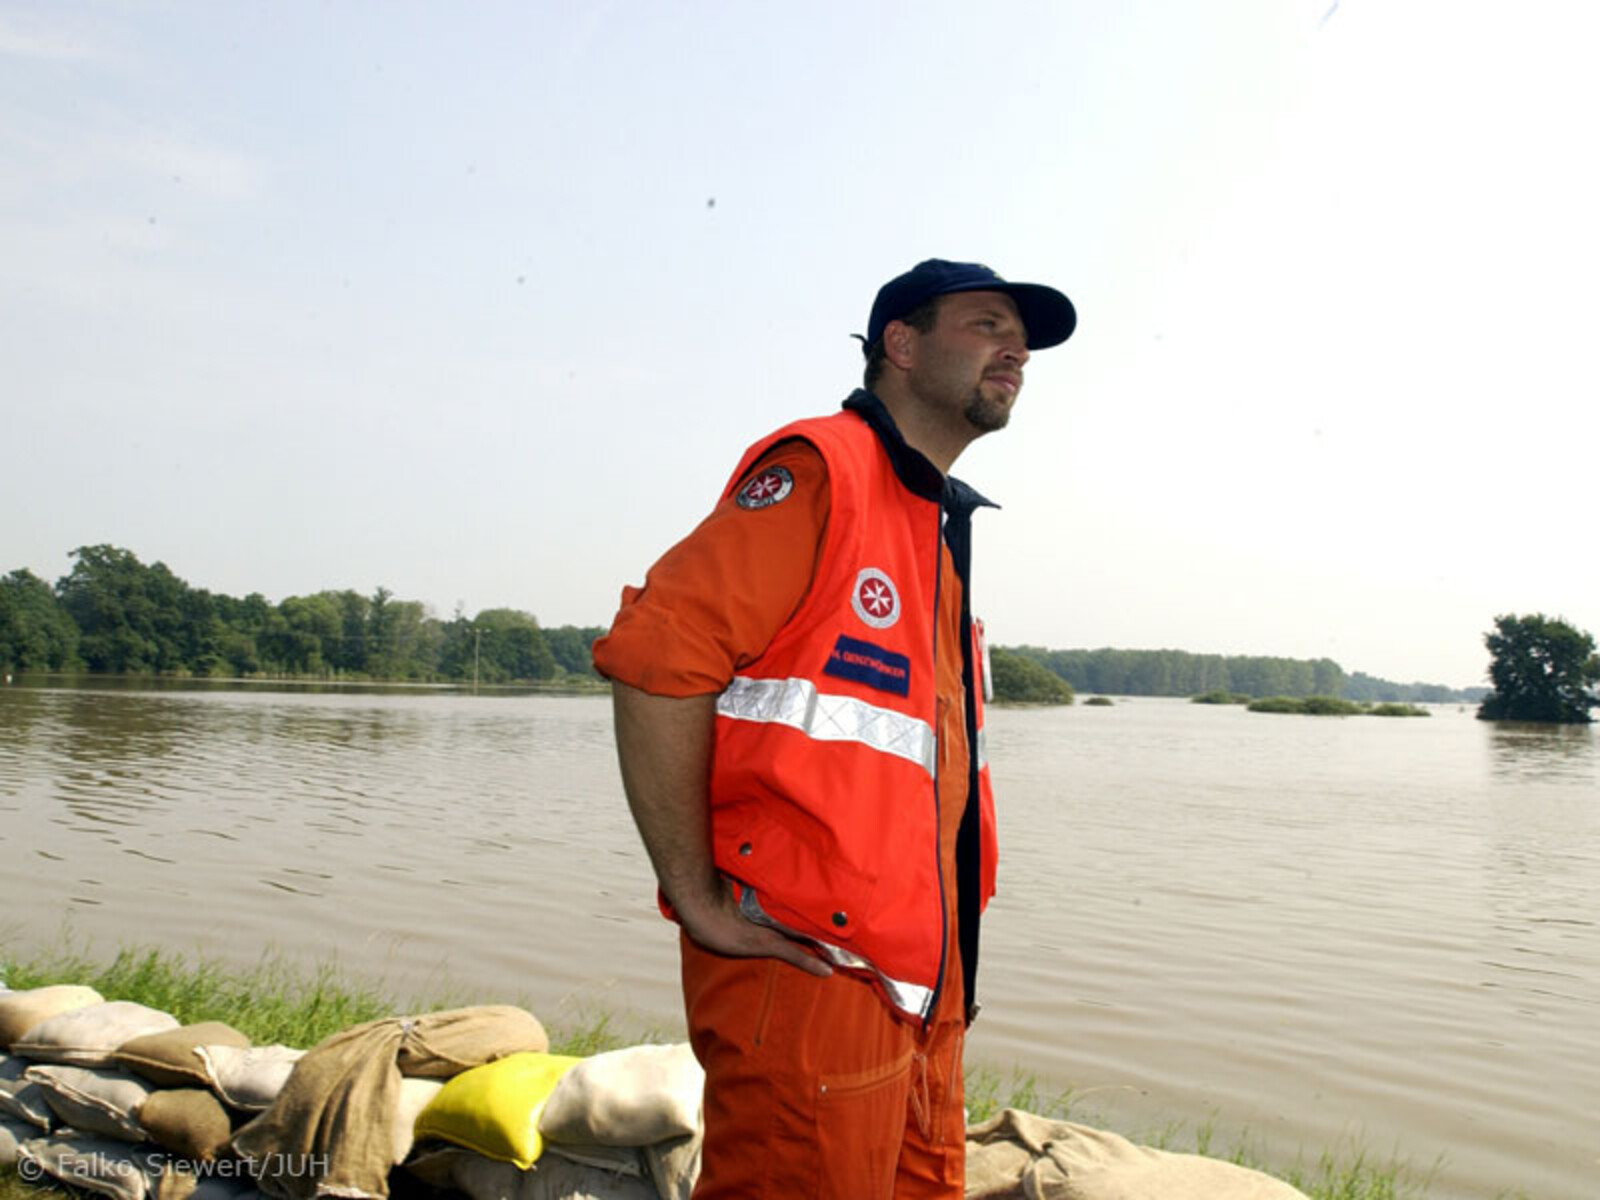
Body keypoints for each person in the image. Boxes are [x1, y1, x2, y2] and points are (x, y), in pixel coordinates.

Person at [592, 259, 1076, 1198]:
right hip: (809, 975)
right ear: (901, 343)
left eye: (1022, 339)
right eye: (985, 325)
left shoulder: (931, 520)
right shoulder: (824, 471)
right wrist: (695, 896)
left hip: (919, 993)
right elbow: (658, 660)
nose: (1014, 350)